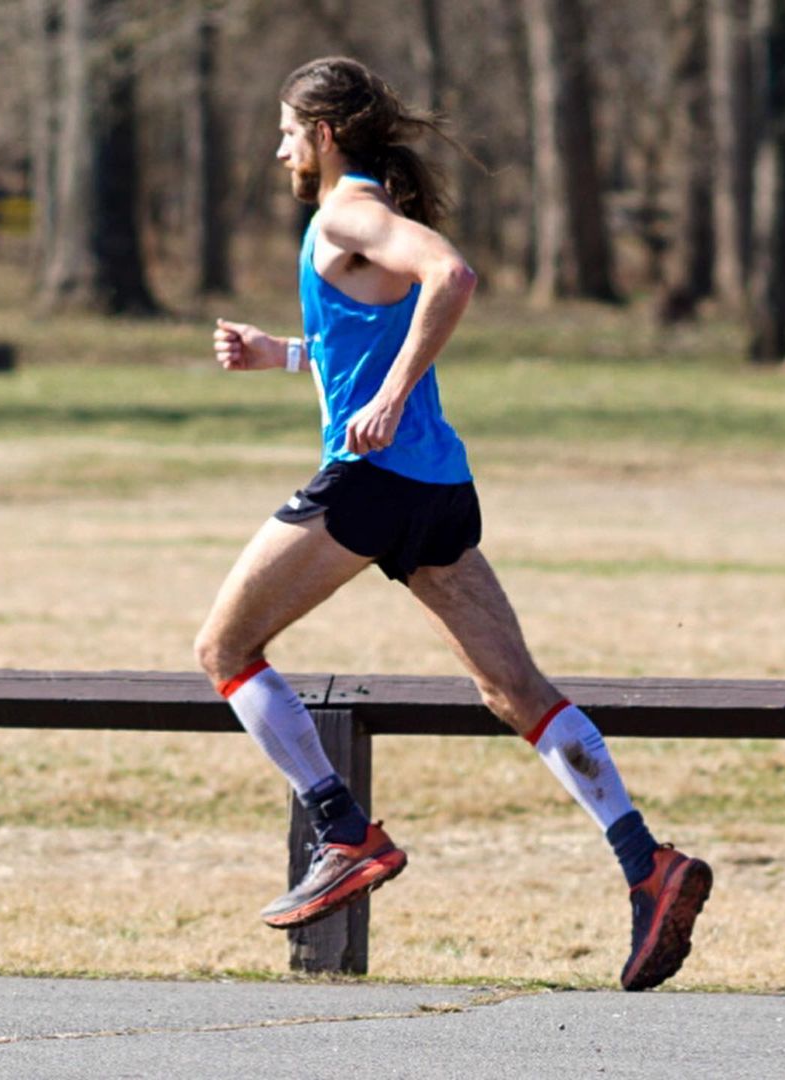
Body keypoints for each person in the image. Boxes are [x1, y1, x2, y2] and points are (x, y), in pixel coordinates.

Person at [195, 56, 711, 991]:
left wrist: (389, 399)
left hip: (371, 484)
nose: (279, 152)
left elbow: (452, 275)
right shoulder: (365, 217)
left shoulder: (345, 212)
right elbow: (372, 335)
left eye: (285, 132)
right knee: (513, 688)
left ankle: (344, 832)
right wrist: (284, 355)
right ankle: (648, 864)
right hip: (437, 488)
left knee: (225, 649)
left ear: (323, 135)